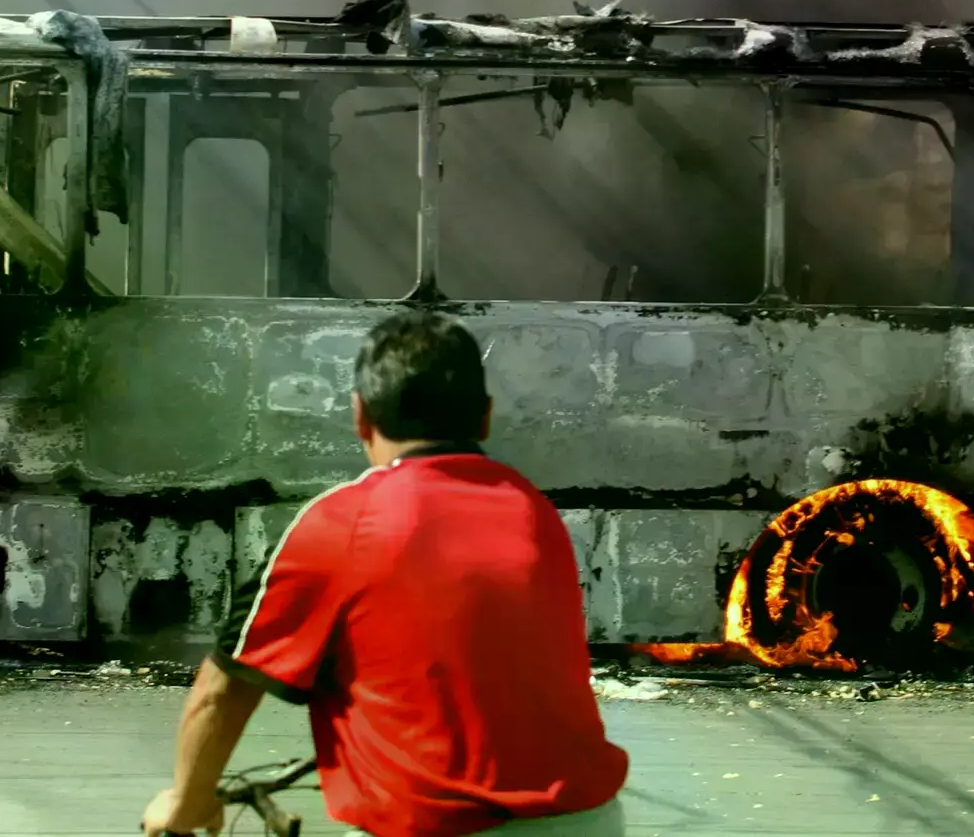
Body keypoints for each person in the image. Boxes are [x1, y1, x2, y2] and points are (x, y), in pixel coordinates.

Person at [141, 310, 629, 837]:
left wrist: (186, 804)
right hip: (590, 819)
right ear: (485, 417)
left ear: (360, 417)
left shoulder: (344, 519)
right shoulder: (535, 511)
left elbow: (224, 689)